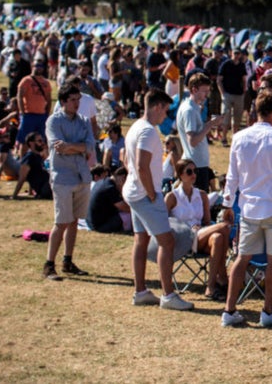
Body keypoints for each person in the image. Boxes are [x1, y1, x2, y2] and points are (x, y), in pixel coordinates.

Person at [221, 93, 272, 328]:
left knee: (242, 258)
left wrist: (227, 202)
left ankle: (229, 309)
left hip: (249, 207)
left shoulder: (239, 137)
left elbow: (232, 174)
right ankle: (268, 311)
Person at [123, 88, 194, 310]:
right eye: (165, 110)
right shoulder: (148, 132)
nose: (166, 115)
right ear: (156, 107)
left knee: (141, 239)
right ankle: (168, 295)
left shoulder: (136, 127)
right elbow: (142, 165)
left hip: (135, 192)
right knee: (167, 241)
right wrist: (153, 194)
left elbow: (127, 159)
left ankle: (141, 291)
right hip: (144, 194)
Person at [43, 84, 96, 281]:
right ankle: (49, 264)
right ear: (63, 101)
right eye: (73, 100)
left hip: (82, 176)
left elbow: (90, 146)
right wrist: (79, 147)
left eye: (78, 99)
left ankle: (68, 260)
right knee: (61, 221)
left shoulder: (83, 121)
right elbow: (58, 148)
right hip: (63, 178)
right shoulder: (53, 121)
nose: (77, 103)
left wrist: (72, 146)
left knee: (74, 220)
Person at [165, 158, 232, 301]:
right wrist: (183, 228)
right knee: (225, 226)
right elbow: (164, 222)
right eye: (189, 172)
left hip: (200, 235)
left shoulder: (201, 195)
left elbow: (207, 222)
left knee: (218, 238)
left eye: (195, 171)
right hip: (183, 238)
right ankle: (223, 277)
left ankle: (210, 286)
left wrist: (202, 228)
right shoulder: (172, 197)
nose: (193, 174)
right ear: (180, 175)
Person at [176, 72, 222, 192]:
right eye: (204, 91)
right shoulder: (189, 110)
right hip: (195, 165)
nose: (207, 94)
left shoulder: (193, 107)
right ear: (194, 89)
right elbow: (193, 141)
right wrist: (210, 124)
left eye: (208, 90)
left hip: (197, 163)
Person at [16, 56, 52, 156]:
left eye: (40, 66)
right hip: (29, 115)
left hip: (41, 116)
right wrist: (22, 113)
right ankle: (22, 162)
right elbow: (19, 97)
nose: (38, 68)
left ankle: (39, 164)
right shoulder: (26, 80)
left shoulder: (46, 83)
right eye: (36, 65)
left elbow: (49, 100)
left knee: (41, 142)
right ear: (32, 66)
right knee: (25, 141)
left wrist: (47, 114)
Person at [217, 47, 248, 142]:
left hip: (239, 94)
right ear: (231, 53)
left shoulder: (242, 65)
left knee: (237, 117)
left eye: (238, 53)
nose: (236, 55)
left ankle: (235, 137)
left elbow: (244, 79)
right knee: (226, 116)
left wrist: (244, 90)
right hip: (228, 94)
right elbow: (219, 80)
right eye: (235, 53)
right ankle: (224, 137)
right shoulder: (226, 64)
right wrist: (222, 93)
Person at [88, 166, 131, 233]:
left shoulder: (104, 182)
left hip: (91, 223)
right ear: (123, 178)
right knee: (130, 215)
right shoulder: (110, 188)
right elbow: (125, 208)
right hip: (101, 227)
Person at [10, 131, 51, 200]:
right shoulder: (29, 158)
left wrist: (30, 192)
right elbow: (22, 177)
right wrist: (14, 195)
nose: (43, 143)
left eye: (43, 140)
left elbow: (34, 175)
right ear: (31, 143)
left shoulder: (38, 156)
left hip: (47, 186)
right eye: (39, 141)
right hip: (45, 189)